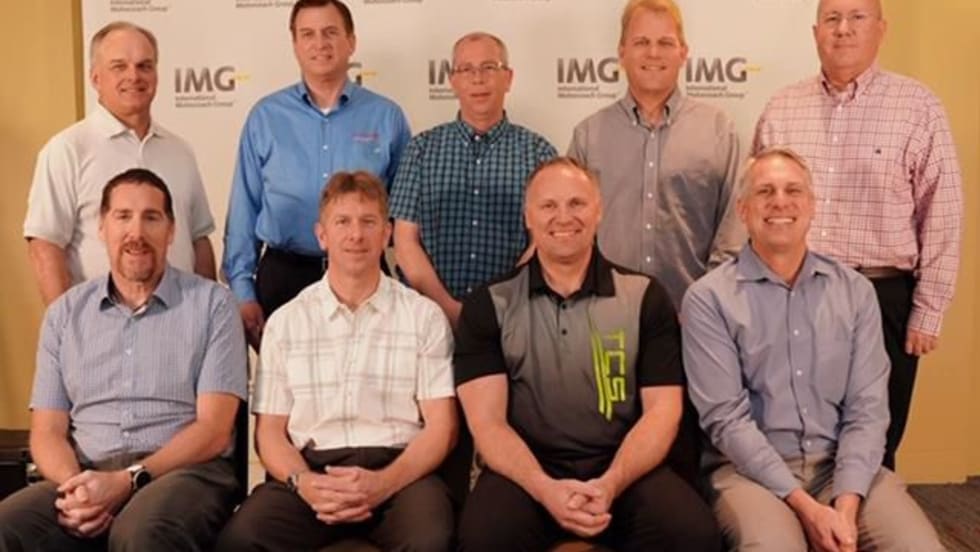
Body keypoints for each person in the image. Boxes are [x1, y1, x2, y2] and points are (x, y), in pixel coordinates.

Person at [682, 147, 944, 551]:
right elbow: (727, 421)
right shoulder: (708, 299)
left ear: (812, 205)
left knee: (918, 547)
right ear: (743, 210)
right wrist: (808, 509)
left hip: (843, 468)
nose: (780, 202)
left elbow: (868, 409)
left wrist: (846, 506)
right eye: (765, 191)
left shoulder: (855, 292)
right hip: (749, 475)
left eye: (793, 191)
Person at [454, 157, 720, 552]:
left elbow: (663, 412)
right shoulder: (488, 303)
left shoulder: (645, 296)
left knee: (694, 538)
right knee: (482, 541)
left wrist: (610, 484)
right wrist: (545, 489)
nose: (564, 217)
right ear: (528, 217)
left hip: (625, 467)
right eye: (548, 205)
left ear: (598, 211)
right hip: (527, 471)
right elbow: (488, 424)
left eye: (577, 203)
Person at [753, 0, 962, 469]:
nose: (843, 29)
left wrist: (929, 310)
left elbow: (943, 211)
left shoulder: (918, 107)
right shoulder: (783, 107)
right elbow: (756, 205)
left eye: (857, 17)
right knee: (792, 434)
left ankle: (868, 513)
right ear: (815, 33)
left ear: (881, 30)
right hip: (792, 293)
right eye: (832, 19)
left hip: (880, 295)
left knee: (875, 441)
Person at [0, 168, 247, 551]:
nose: (136, 232)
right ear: (102, 228)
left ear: (171, 231)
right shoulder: (64, 314)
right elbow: (47, 431)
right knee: (6, 527)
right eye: (123, 216)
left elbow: (214, 430)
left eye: (151, 217)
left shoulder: (213, 305)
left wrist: (128, 479)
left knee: (142, 535)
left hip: (181, 473)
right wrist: (78, 490)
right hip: (85, 473)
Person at [215, 171, 457, 551]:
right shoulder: (286, 322)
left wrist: (384, 483)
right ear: (322, 235)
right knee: (241, 540)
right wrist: (305, 483)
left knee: (432, 538)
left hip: (401, 474)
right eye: (342, 222)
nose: (356, 235)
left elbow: (442, 427)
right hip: (310, 473)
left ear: (387, 233)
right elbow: (270, 433)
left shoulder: (424, 317)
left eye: (368, 222)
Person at [223, 0, 411, 350]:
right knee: (286, 383)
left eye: (330, 32)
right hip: (284, 279)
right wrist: (243, 293)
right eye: (307, 34)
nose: (319, 43)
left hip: (365, 274)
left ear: (351, 41)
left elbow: (405, 221)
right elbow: (244, 212)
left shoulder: (387, 117)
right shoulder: (266, 117)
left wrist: (410, 292)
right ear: (295, 44)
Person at [24, 21, 216, 306]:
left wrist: (208, 314)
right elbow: (45, 245)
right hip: (99, 323)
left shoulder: (180, 151)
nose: (133, 76)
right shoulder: (67, 149)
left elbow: (199, 240)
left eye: (144, 66)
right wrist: (65, 325)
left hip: (181, 320)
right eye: (119, 66)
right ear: (95, 78)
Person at [568, 0, 742, 309]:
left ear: (683, 52)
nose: (653, 53)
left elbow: (734, 230)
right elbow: (573, 229)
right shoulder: (588, 136)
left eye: (665, 43)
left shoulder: (718, 130)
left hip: (693, 315)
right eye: (641, 42)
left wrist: (707, 303)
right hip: (605, 314)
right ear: (622, 52)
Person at [390, 31, 556, 328]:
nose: (478, 79)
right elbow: (405, 242)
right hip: (428, 319)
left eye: (489, 68)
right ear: (452, 81)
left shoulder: (538, 153)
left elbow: (544, 242)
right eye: (466, 69)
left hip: (512, 321)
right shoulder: (421, 149)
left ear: (508, 78)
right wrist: (448, 309)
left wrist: (502, 306)